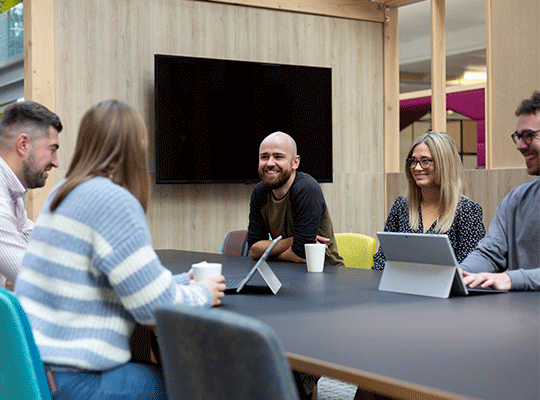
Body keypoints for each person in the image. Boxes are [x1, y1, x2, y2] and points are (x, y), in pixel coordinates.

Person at [14, 100, 226, 400]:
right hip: (76, 380)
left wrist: (181, 281)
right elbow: (152, 309)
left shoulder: (62, 195)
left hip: (36, 370)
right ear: (135, 146)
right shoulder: (113, 201)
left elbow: (124, 286)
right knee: (201, 385)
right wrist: (203, 293)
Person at [460, 91, 540, 291]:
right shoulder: (516, 199)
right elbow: (488, 254)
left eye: (529, 136)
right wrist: (462, 273)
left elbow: (508, 278)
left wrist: (511, 279)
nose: (520, 146)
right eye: (518, 137)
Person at [373, 131, 485, 270]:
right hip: (400, 289)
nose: (417, 167)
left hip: (447, 291)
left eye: (425, 161)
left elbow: (470, 269)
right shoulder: (401, 207)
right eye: (413, 161)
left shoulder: (467, 211)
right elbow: (381, 259)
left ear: (444, 163)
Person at [247, 131, 344, 267]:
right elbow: (253, 250)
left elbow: (301, 255)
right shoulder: (260, 192)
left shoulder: (306, 189)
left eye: (278, 157)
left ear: (295, 162)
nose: (269, 163)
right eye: (264, 157)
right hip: (285, 272)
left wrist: (267, 255)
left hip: (325, 274)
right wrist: (294, 240)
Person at [0, 101, 62, 288]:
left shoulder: (12, 194)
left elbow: (37, 241)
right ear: (23, 144)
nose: (56, 162)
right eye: (52, 149)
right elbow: (32, 275)